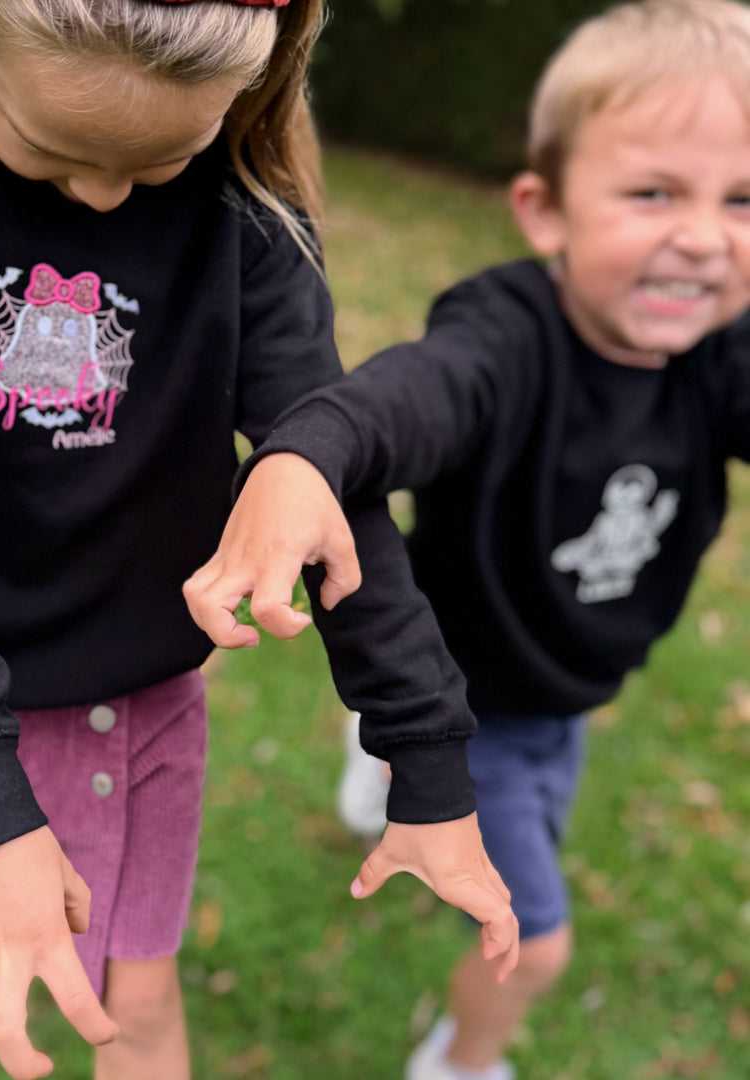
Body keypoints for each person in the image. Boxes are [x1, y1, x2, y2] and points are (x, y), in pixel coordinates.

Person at [0, 0, 517, 1077]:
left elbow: (327, 490)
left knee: (138, 1003)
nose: (107, 195)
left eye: (164, 158)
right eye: (53, 150)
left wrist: (424, 748)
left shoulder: (248, 201)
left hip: (135, 701)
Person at [183, 1, 750, 1077]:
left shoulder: (718, 353)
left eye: (744, 200)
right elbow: (407, 399)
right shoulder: (505, 338)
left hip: (567, 688)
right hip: (460, 694)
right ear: (545, 210)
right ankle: (462, 1062)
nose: (702, 236)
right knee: (535, 944)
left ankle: (377, 761)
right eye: (653, 193)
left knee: (540, 803)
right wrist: (308, 454)